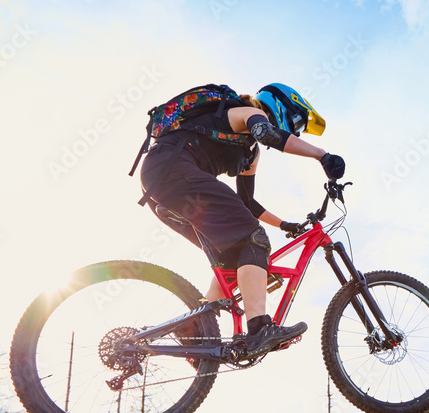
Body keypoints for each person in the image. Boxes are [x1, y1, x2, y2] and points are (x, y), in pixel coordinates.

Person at [139, 83, 346, 357]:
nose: (294, 130)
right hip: (172, 171)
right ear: (281, 106)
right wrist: (322, 155)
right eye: (295, 122)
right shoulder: (244, 114)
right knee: (253, 239)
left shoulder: (251, 152)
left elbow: (247, 202)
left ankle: (193, 332)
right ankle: (259, 328)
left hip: (165, 188)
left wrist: (285, 225)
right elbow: (268, 133)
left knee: (234, 260)